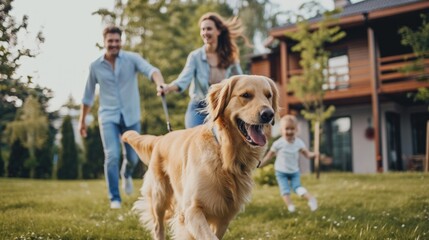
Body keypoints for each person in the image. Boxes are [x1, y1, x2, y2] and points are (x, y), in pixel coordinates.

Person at [78, 26, 165, 209]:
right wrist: (82, 122)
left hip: (131, 115)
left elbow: (151, 70)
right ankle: (114, 198)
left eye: (117, 41)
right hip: (108, 116)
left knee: (133, 158)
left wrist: (160, 84)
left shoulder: (131, 59)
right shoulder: (95, 66)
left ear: (121, 41)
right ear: (104, 42)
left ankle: (126, 175)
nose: (114, 44)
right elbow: (87, 96)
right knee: (112, 155)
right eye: (110, 41)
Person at [159, 12, 249, 128]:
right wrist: (168, 87)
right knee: (197, 141)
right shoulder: (195, 56)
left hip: (221, 107)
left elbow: (242, 81)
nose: (205, 33)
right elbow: (183, 80)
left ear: (218, 31)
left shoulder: (230, 57)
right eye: (203, 29)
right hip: (198, 107)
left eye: (209, 29)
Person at [259, 115, 318, 212]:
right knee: (285, 190)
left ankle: (311, 199)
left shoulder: (299, 143)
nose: (289, 131)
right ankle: (291, 208)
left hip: (294, 171)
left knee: (297, 187)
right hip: (281, 171)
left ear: (296, 130)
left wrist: (314, 155)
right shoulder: (278, 143)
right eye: (287, 129)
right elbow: (269, 156)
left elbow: (307, 155)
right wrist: (261, 164)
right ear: (281, 130)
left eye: (292, 129)